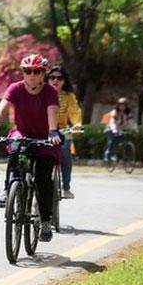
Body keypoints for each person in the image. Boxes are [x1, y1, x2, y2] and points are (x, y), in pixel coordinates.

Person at [0, 53, 61, 242]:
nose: (32, 75)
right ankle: (8, 189)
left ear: (43, 73)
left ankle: (45, 222)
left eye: (37, 71)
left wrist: (53, 132)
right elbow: (2, 108)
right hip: (23, 132)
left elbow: (52, 110)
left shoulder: (50, 91)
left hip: (45, 138)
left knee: (43, 179)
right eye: (27, 71)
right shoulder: (16, 88)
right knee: (14, 147)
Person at [48, 66, 82, 199]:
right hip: (43, 128)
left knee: (65, 148)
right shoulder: (41, 93)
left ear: (64, 81)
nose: (55, 80)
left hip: (64, 128)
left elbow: (75, 112)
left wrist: (77, 124)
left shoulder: (69, 96)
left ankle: (66, 187)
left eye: (59, 78)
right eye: (52, 77)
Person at [103, 97, 135, 162]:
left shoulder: (127, 114)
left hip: (119, 129)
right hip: (110, 128)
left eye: (124, 105)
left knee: (121, 140)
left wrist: (135, 129)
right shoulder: (114, 112)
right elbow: (112, 122)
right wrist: (114, 130)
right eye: (121, 105)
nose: (122, 107)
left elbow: (132, 122)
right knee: (112, 140)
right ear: (118, 106)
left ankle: (120, 154)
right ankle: (108, 154)